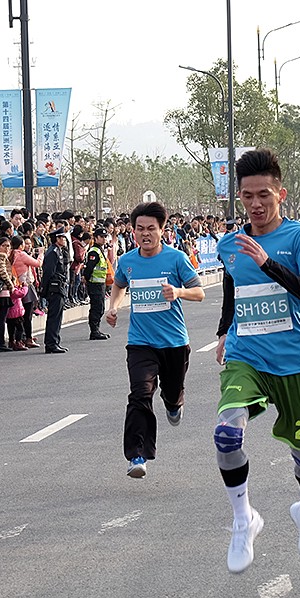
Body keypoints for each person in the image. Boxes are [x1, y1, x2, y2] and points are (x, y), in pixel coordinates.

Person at [212, 149, 300, 573]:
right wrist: (225, 331)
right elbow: (233, 291)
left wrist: (268, 262)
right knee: (226, 435)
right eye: (247, 197)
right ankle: (244, 520)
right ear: (239, 197)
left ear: (280, 193)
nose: (256, 204)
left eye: (264, 195)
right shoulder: (230, 245)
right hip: (247, 356)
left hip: (295, 361)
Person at [106, 201, 204, 478]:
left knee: (171, 395)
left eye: (151, 228)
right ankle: (137, 455)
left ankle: (174, 403)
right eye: (139, 229)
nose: (144, 234)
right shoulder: (127, 261)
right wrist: (113, 307)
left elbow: (199, 293)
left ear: (163, 230)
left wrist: (178, 292)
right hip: (140, 343)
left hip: (174, 343)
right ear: (133, 230)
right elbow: (119, 284)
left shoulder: (175, 259)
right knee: (140, 394)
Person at [40, 228, 70, 354]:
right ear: (57, 239)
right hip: (54, 287)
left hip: (60, 287)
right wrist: (44, 290)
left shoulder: (60, 251)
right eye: (62, 237)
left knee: (58, 317)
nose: (64, 240)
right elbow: (48, 272)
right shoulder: (52, 252)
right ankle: (51, 343)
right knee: (54, 317)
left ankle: (55, 341)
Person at [83, 228, 111, 340]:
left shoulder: (100, 250)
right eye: (102, 237)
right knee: (96, 307)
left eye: (105, 237)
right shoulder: (94, 251)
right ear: (96, 238)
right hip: (94, 283)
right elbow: (89, 268)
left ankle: (97, 329)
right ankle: (94, 331)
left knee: (100, 307)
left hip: (100, 283)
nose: (104, 239)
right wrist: (86, 279)